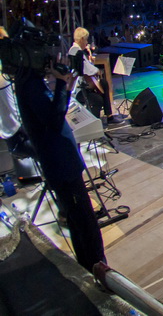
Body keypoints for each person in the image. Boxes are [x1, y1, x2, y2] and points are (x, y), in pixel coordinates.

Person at [13, 64, 106, 271]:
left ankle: (91, 267)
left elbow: (51, 113)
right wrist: (61, 84)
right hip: (62, 166)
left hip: (62, 164)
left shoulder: (28, 81)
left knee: (80, 223)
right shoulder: (30, 84)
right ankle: (99, 273)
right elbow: (54, 120)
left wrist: (66, 87)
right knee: (85, 226)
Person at [67, 26, 123, 125]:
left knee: (104, 83)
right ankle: (94, 123)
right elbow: (90, 70)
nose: (87, 42)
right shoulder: (77, 52)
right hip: (79, 89)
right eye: (86, 39)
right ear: (82, 39)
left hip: (84, 84)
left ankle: (109, 116)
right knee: (98, 99)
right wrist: (97, 70)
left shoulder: (75, 50)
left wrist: (89, 54)